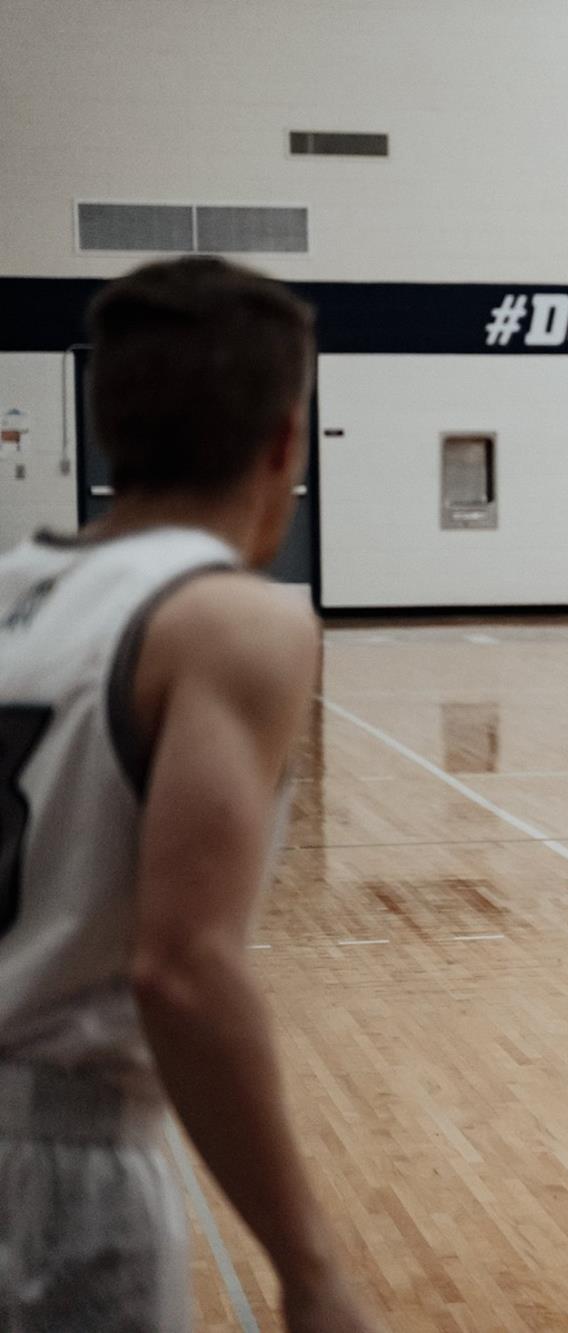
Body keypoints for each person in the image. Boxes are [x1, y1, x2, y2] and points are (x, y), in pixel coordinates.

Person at [0, 258, 377, 1329]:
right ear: (282, 443)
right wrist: (311, 1266)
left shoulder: (12, 589)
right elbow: (181, 968)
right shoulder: (230, 621)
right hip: (60, 1158)